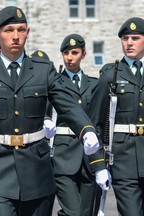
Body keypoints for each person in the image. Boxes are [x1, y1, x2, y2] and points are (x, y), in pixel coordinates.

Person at [0, 6, 109, 216]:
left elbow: (67, 104)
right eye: (9, 30)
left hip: (37, 172)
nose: (16, 36)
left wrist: (86, 129)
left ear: (28, 32)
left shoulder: (43, 69)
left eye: (21, 29)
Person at [89, 17, 144, 216]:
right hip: (123, 162)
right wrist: (98, 165)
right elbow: (94, 124)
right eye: (125, 38)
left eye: (135, 38)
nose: (129, 43)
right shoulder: (110, 76)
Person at [51, 34, 110, 216]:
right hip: (63, 155)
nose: (69, 57)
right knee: (73, 212)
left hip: (89, 157)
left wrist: (100, 162)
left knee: (87, 212)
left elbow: (99, 124)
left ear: (83, 54)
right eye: (66, 53)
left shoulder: (94, 84)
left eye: (74, 52)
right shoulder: (54, 83)